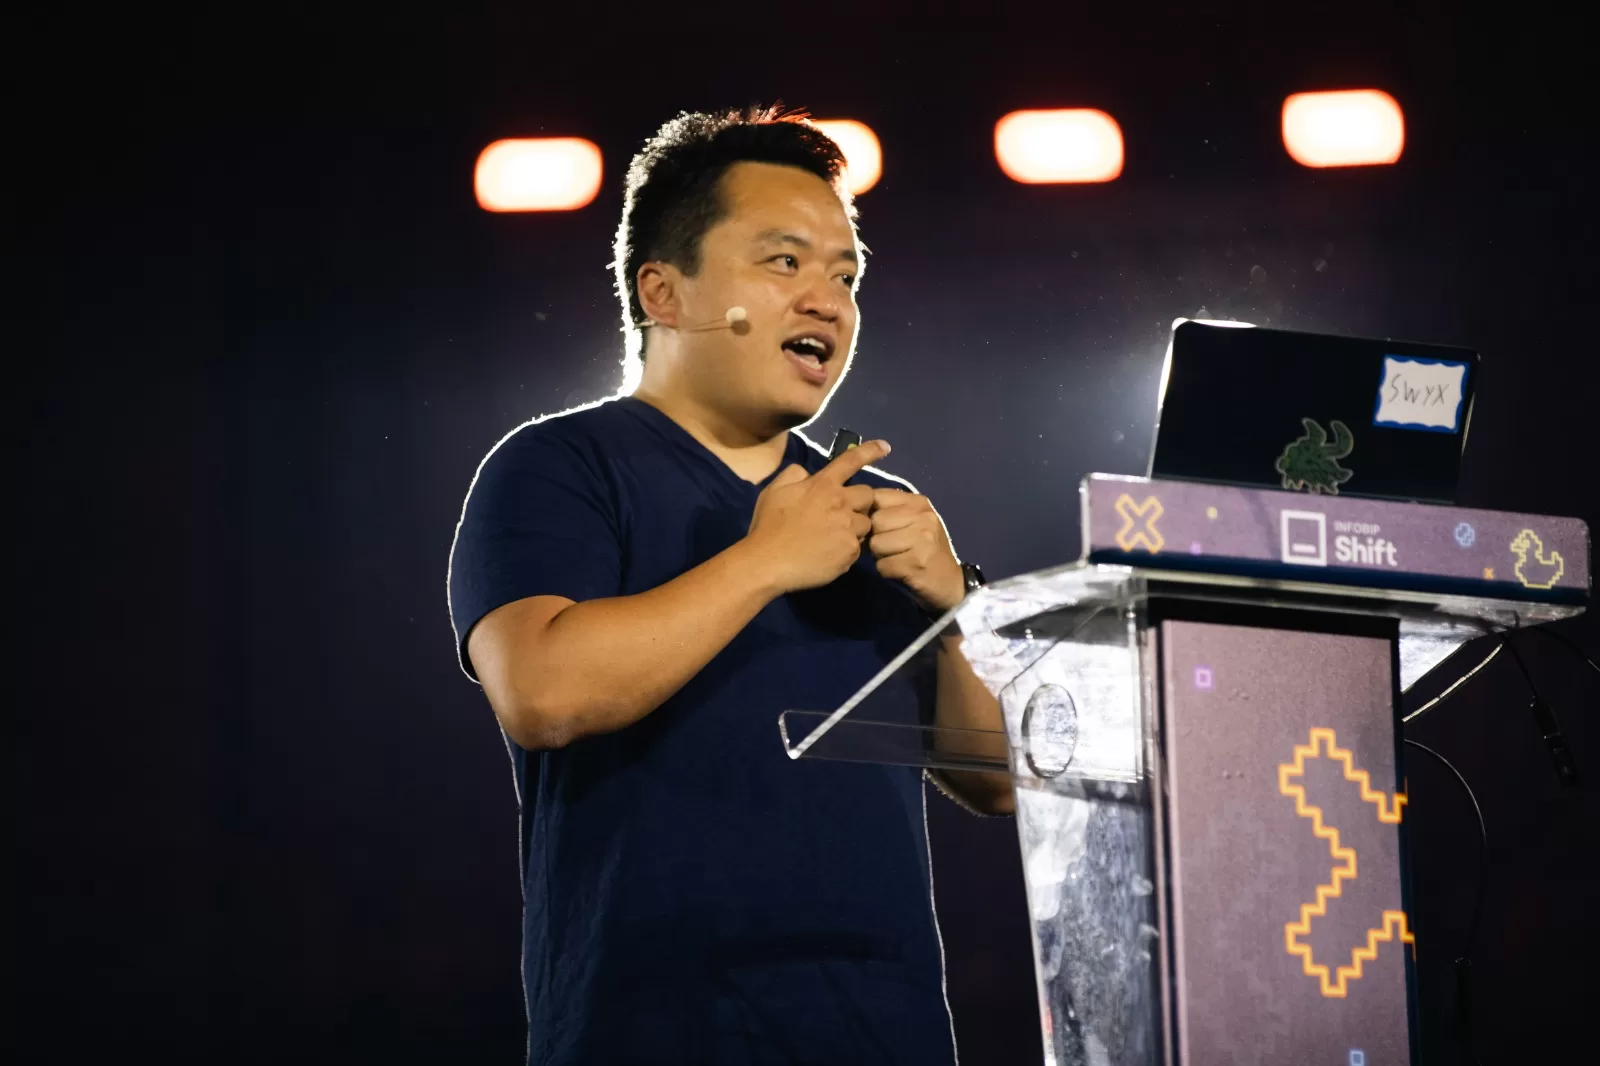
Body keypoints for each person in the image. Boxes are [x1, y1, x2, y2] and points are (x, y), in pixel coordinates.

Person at [448, 105, 1010, 1065]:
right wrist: (765, 561)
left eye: (845, 276)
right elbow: (542, 692)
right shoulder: (557, 465)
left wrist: (957, 608)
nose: (827, 302)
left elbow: (995, 781)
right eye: (785, 262)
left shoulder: (876, 507)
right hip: (650, 1030)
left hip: (885, 1032)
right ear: (662, 292)